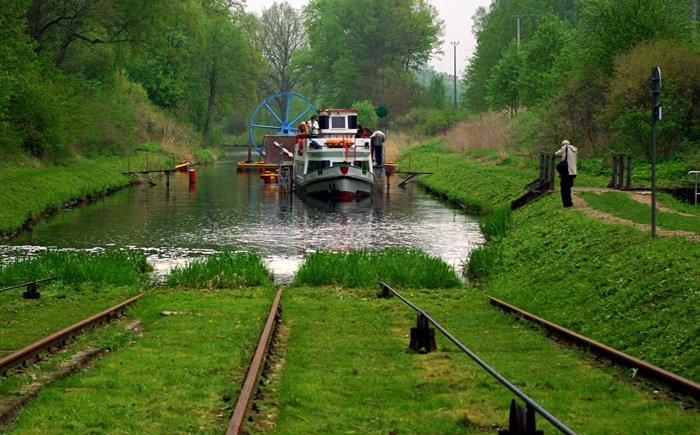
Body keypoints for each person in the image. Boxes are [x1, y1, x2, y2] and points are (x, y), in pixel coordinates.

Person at [555, 139, 578, 208]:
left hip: (566, 171)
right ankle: (570, 203)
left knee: (564, 188)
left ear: (564, 144)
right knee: (569, 187)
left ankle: (566, 204)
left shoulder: (565, 147)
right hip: (572, 172)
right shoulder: (575, 149)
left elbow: (556, 154)